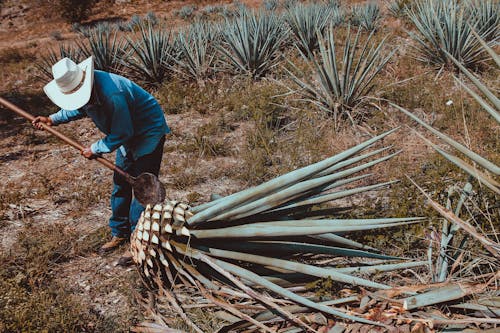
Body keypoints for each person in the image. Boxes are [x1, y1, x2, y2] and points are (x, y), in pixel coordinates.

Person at [33, 56, 170, 264]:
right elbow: (78, 107)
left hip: (147, 131)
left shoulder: (112, 94)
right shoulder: (85, 89)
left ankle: (139, 239)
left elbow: (124, 132)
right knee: (120, 184)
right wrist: (52, 119)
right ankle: (120, 232)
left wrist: (95, 148)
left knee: (143, 190)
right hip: (125, 134)